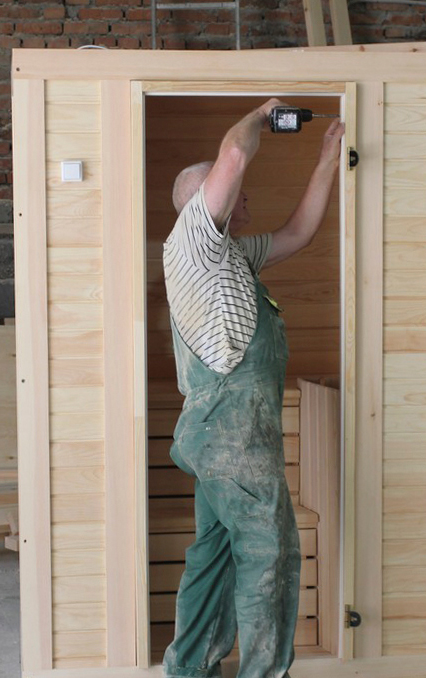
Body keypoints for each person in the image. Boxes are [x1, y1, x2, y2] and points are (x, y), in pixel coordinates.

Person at [162, 98, 344, 678]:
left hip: (220, 434)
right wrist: (263, 114)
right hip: (232, 434)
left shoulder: (232, 256)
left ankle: (190, 668)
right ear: (206, 198)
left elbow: (298, 234)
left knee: (214, 556)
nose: (246, 197)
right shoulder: (195, 239)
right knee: (272, 553)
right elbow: (236, 154)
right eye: (235, 192)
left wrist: (327, 158)